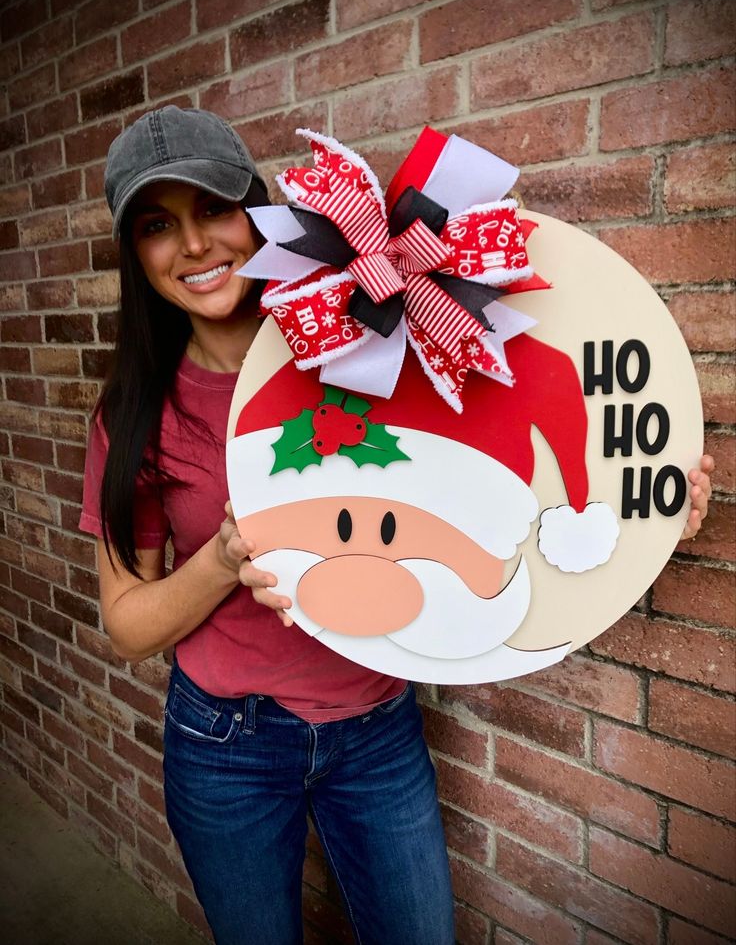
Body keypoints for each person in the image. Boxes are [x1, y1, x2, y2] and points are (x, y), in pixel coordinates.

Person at [80, 106, 714, 945]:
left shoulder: (378, 333)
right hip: (225, 743)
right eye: (159, 225)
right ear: (135, 254)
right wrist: (225, 559)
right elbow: (127, 625)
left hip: (376, 730)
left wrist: (649, 501)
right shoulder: (132, 418)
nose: (195, 246)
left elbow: (515, 411)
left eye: (214, 209)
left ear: (258, 213)